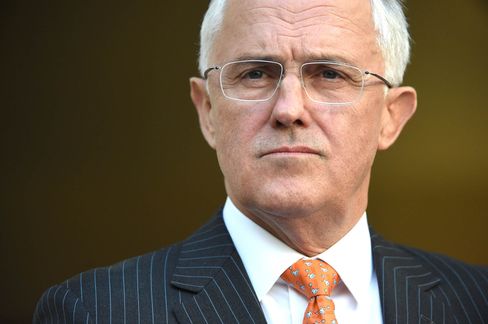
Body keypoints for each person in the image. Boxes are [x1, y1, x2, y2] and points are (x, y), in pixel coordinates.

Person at [34, 0, 488, 323]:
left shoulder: (476, 302)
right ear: (207, 110)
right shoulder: (93, 311)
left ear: (392, 117)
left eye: (329, 74)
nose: (289, 108)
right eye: (255, 73)